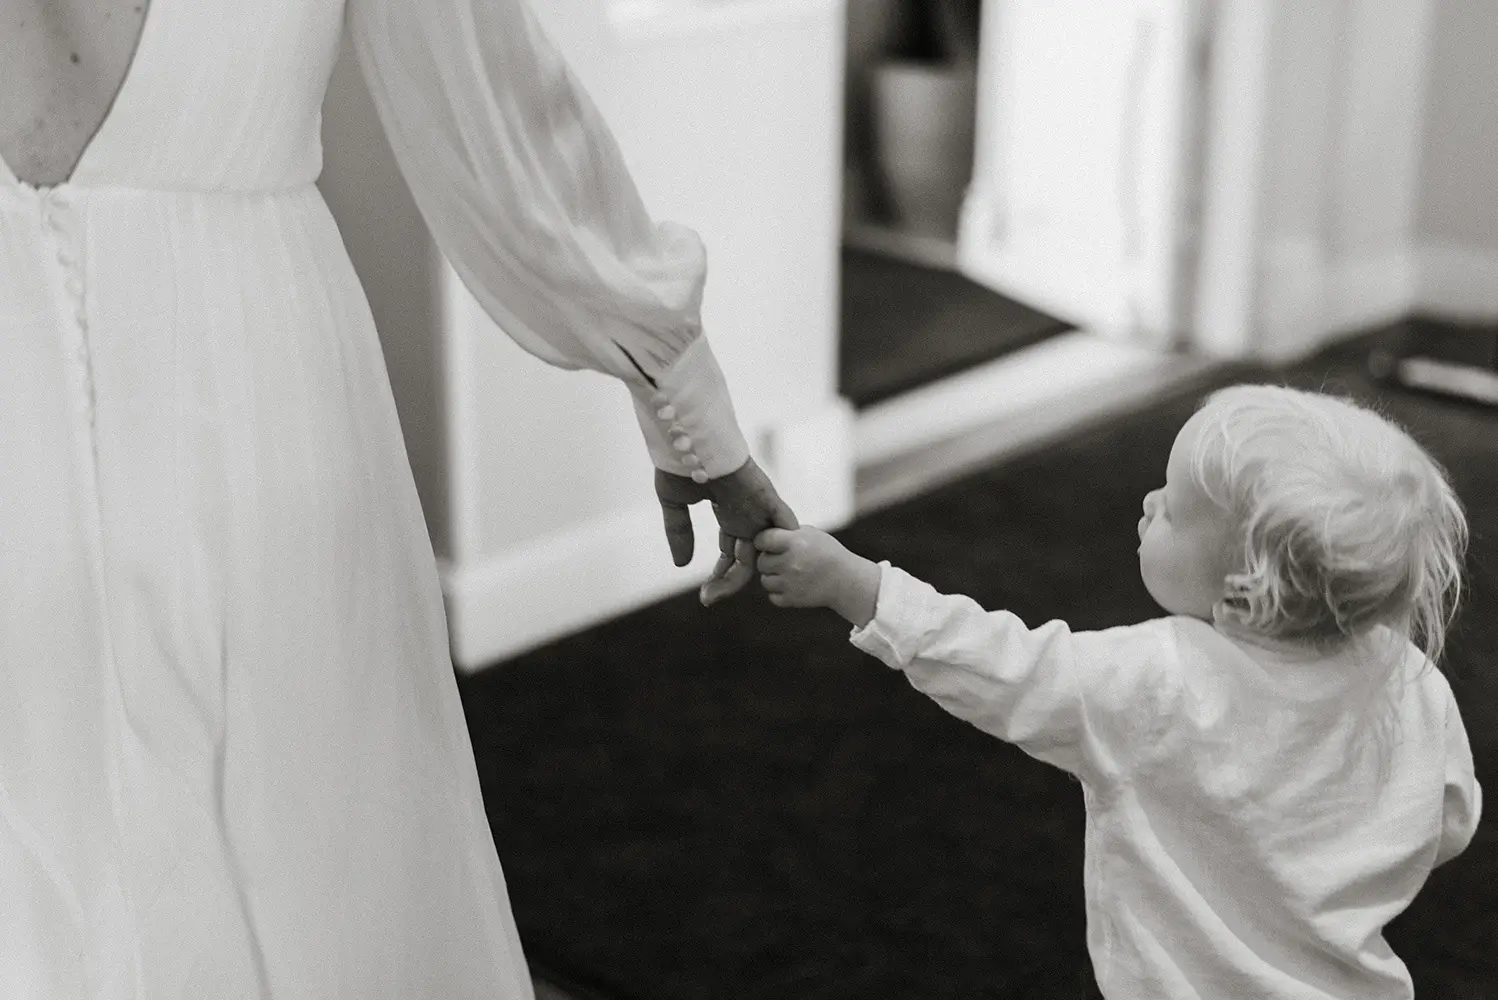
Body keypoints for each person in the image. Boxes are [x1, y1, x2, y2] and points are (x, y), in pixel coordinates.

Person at [0, 0, 796, 995]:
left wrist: (673, 382)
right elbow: (493, 98)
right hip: (251, 375)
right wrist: (681, 396)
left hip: (256, 416)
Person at [753, 383, 1482, 999]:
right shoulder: (1411, 682)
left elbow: (1002, 666)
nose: (1149, 501)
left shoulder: (1159, 679)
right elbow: (1449, 821)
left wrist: (855, 585)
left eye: (1176, 508)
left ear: (1242, 593)